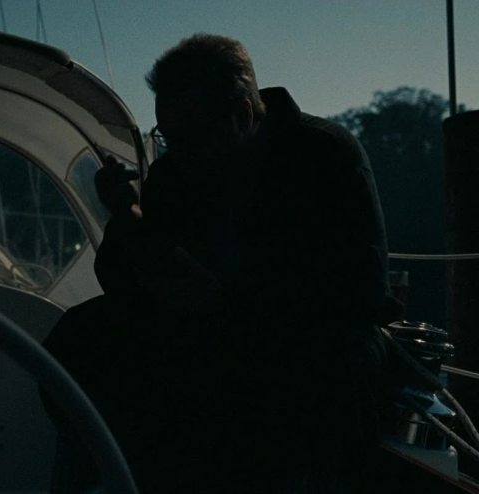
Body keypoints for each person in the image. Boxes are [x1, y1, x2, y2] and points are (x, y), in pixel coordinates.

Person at [43, 34, 396, 493]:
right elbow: (119, 280)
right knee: (76, 339)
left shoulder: (323, 155)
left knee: (284, 379)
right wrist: (126, 217)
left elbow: (359, 293)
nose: (177, 151)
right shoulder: (177, 170)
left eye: (190, 137)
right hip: (204, 331)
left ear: (243, 115)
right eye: (167, 137)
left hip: (300, 340)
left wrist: (226, 297)